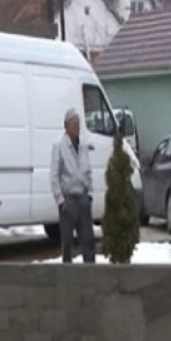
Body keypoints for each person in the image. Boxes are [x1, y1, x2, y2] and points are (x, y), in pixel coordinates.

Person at [50, 107, 95, 264]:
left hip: (83, 198)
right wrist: (60, 200)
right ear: (66, 126)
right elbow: (54, 176)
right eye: (74, 124)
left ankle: (91, 273)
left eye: (78, 124)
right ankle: (67, 276)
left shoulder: (83, 145)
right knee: (67, 243)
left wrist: (90, 194)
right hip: (68, 200)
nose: (77, 127)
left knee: (88, 241)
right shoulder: (59, 146)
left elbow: (88, 171)